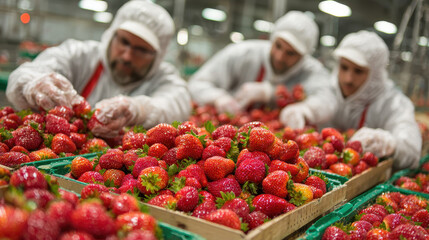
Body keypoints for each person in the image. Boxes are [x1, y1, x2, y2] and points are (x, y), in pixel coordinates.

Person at [6, 0, 191, 138]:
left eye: (141, 50)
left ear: (157, 56)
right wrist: (35, 83)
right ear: (111, 35)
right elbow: (26, 73)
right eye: (124, 41)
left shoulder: (164, 76)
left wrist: (138, 109)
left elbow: (177, 102)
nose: (127, 56)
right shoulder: (80, 54)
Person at [188, 11, 335, 125]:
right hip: (228, 128)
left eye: (290, 53)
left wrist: (306, 109)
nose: (279, 57)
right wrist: (218, 98)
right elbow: (197, 83)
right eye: (277, 46)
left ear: (304, 56)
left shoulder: (311, 70)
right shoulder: (243, 53)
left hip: (280, 143)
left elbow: (328, 100)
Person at [321, 30, 421, 169]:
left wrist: (389, 143)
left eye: (358, 71)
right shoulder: (328, 88)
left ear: (375, 74)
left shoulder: (393, 103)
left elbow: (411, 151)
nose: (348, 79)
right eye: (344, 67)